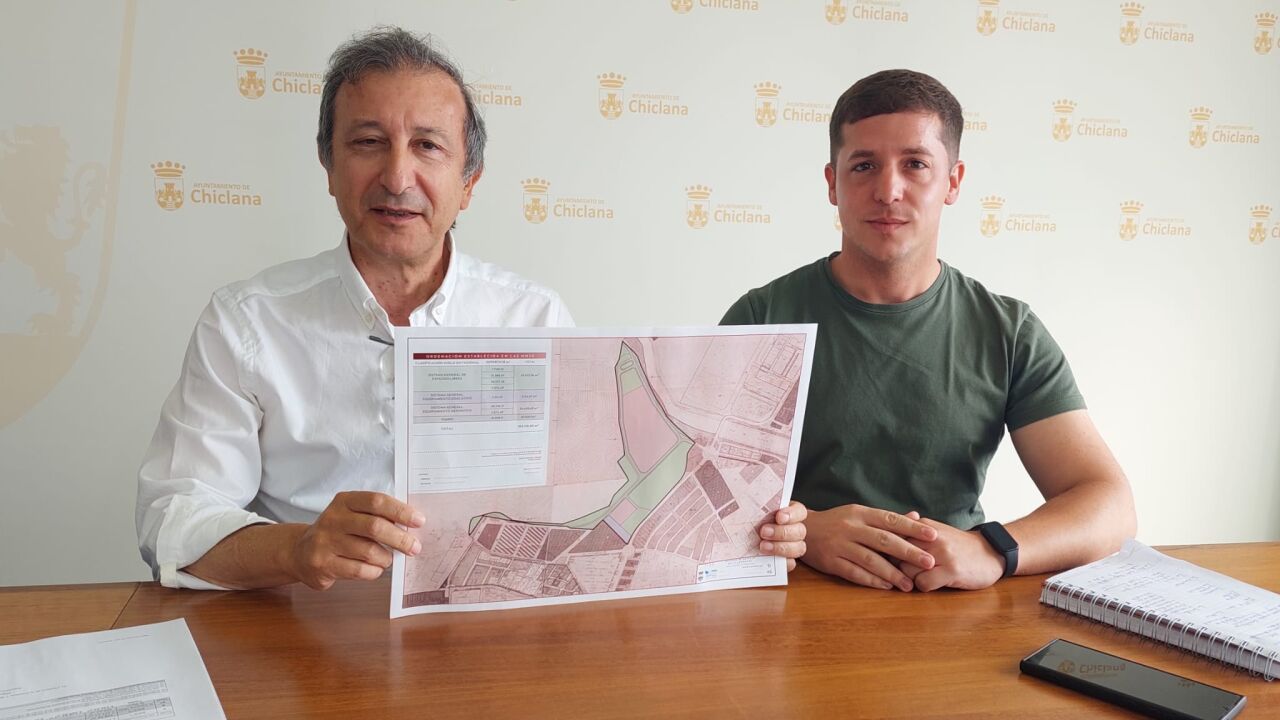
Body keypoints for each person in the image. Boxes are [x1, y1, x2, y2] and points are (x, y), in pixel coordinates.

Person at [137, 27, 806, 591]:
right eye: (368, 142)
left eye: (428, 146)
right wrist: (295, 548)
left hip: (485, 633)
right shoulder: (247, 322)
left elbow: (600, 503)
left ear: (469, 182)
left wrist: (749, 527)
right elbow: (172, 518)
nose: (397, 177)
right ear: (328, 164)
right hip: (302, 629)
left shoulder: (533, 318)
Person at [721, 69, 1135, 593]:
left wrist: (992, 549)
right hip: (794, 606)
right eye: (864, 166)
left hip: (952, 608)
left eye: (915, 164)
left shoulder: (1009, 332)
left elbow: (1110, 506)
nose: (887, 191)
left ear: (953, 182)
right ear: (832, 183)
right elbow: (703, 498)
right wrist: (807, 532)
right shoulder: (762, 317)